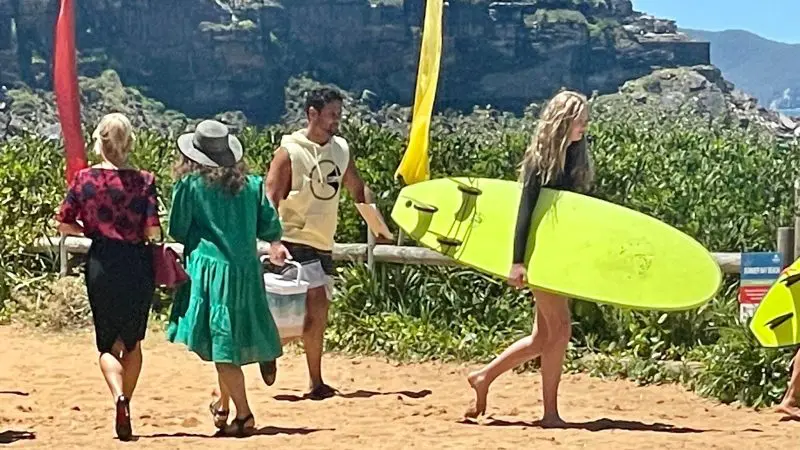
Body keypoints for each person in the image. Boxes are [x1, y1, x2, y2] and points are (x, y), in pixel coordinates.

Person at [465, 90, 594, 425]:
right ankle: (550, 412)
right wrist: (518, 261)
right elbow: (524, 213)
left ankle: (484, 377)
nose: (585, 126)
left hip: (558, 256)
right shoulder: (541, 162)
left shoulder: (574, 159)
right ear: (564, 120)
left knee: (542, 337)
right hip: (539, 258)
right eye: (581, 120)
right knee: (561, 330)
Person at [166, 119, 285, 437]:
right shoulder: (253, 185)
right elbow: (270, 227)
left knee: (221, 344)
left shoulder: (190, 186)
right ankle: (223, 405)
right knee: (229, 337)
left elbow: (177, 228)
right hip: (245, 271)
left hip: (211, 271)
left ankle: (244, 414)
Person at [265, 86, 384, 400]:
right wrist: (273, 240)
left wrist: (376, 224)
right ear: (312, 114)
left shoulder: (341, 150)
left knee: (317, 313)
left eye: (339, 115)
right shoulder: (290, 151)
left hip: (322, 241)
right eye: (331, 115)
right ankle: (272, 351)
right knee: (294, 309)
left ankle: (314, 381)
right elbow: (270, 194)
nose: (336, 122)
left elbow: (357, 188)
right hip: (293, 239)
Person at [55, 113, 161, 441]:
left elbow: (63, 222)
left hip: (101, 261)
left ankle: (117, 396)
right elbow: (152, 230)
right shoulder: (144, 181)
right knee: (133, 342)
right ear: (129, 143)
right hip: (136, 264)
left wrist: (90, 230)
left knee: (105, 344)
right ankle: (128, 398)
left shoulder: (83, 180)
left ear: (99, 142)